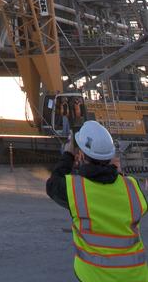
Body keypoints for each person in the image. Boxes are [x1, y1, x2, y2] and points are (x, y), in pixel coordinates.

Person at [46, 119, 147, 279]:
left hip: (93, 276)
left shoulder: (75, 189)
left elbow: (52, 184)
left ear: (82, 154)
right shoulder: (131, 187)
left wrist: (68, 155)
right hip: (136, 275)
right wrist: (117, 173)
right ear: (110, 155)